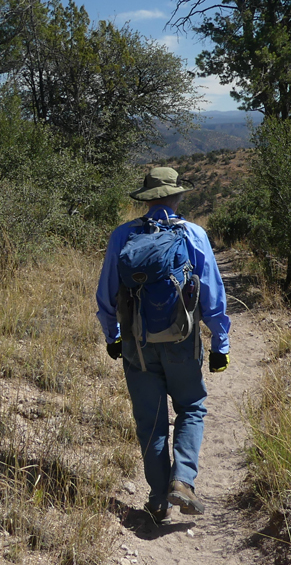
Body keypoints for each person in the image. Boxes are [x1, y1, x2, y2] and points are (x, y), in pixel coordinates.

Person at [96, 166, 231, 521]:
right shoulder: (195, 235)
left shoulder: (123, 236)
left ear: (146, 198)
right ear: (176, 195)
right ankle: (182, 482)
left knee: (151, 422)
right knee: (191, 407)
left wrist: (114, 337)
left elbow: (106, 296)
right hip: (182, 341)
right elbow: (213, 298)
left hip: (137, 345)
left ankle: (157, 499)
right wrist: (221, 345)